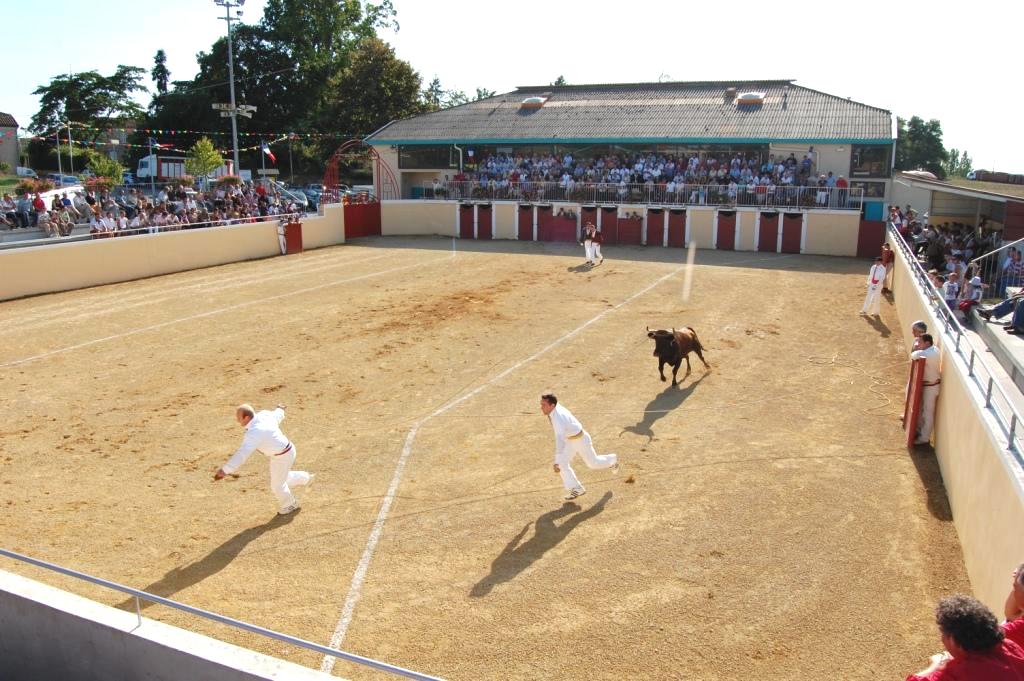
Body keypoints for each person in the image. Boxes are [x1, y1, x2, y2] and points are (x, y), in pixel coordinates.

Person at [213, 403, 314, 515]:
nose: (237, 420)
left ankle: (289, 504)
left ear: (246, 417)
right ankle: (305, 478)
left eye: (238, 418)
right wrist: (280, 409)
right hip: (285, 452)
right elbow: (277, 415)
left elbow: (242, 454)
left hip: (282, 456)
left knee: (277, 485)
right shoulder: (264, 415)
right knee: (280, 478)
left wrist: (225, 470)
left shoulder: (254, 433)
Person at [905, 595, 1024, 680]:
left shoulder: (959, 673)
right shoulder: (1009, 646)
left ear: (953, 641)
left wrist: (934, 666)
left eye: (943, 633)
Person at [540, 393, 618, 501]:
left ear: (552, 406)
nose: (541, 407)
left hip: (581, 440)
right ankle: (576, 488)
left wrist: (557, 461)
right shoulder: (554, 409)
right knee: (562, 464)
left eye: (543, 405)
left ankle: (612, 460)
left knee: (593, 464)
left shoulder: (558, 419)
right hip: (570, 440)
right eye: (541, 404)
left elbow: (560, 441)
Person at [911, 334, 940, 446]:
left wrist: (917, 348)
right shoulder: (933, 350)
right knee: (925, 411)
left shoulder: (927, 354)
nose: (918, 344)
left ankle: (924, 438)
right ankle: (920, 432)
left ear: (927, 343)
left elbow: (913, 355)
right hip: (931, 385)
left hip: (931, 387)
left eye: (920, 342)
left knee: (927, 413)